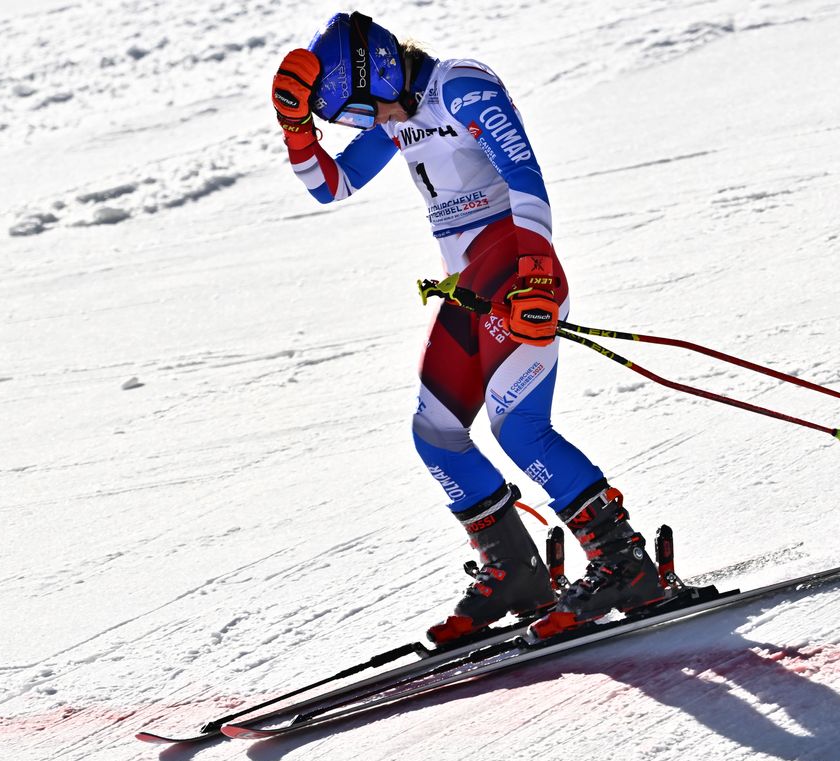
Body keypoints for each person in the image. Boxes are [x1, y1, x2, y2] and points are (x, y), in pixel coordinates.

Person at [270, 10, 661, 643]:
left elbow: (525, 175)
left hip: (518, 276)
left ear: (384, 72)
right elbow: (331, 185)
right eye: (353, 122)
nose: (369, 128)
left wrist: (535, 275)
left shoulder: (460, 84)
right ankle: (516, 575)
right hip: (471, 294)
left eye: (363, 114)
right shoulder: (396, 114)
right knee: (435, 434)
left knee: (522, 430)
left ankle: (628, 570)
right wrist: (295, 129)